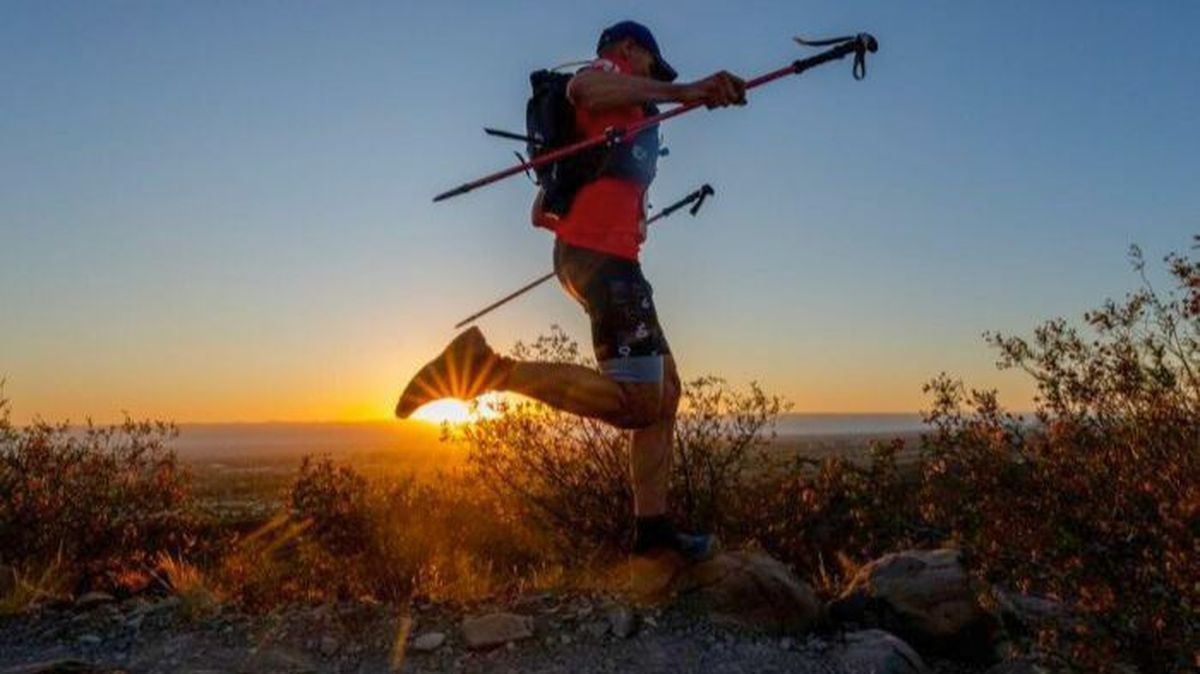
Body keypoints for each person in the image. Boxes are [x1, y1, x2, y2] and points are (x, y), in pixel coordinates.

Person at [395, 20, 746, 570]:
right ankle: (487, 369)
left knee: (666, 392)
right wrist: (687, 91)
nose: (656, 77)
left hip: (610, 259)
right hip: (604, 264)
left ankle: (652, 533)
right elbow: (585, 89)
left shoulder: (622, 113)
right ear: (630, 50)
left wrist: (624, 216)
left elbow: (543, 212)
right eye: (654, 64)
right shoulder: (606, 73)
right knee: (636, 403)